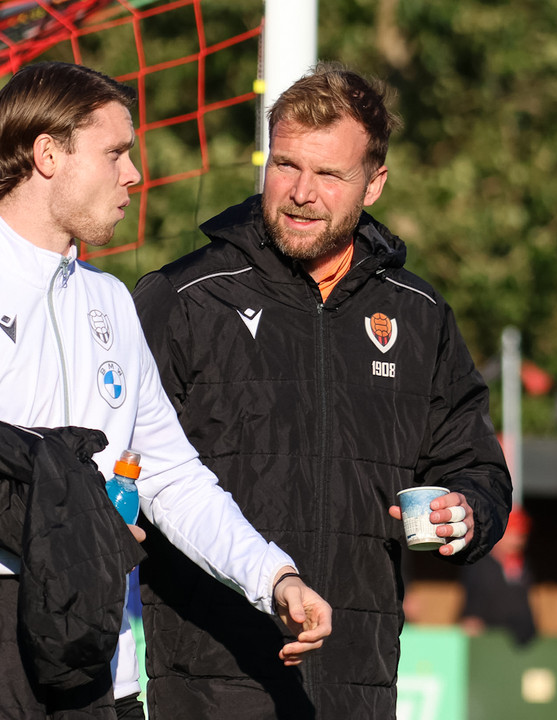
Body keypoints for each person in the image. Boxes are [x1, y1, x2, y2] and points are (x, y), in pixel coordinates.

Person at [0, 62, 331, 719]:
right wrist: (59, 541)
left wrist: (273, 575)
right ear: (48, 155)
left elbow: (170, 477)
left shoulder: (110, 302)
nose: (134, 174)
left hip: (99, 683)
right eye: (115, 152)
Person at [132, 60, 512, 718]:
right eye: (286, 165)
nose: (302, 192)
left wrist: (467, 512)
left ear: (375, 183)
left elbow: (473, 466)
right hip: (212, 683)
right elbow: (118, 467)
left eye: (329, 174)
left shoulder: (419, 315)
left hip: (359, 684)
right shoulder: (184, 297)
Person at [459, 506, 536, 646]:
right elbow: (472, 602)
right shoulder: (479, 563)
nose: (517, 541)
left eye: (521, 536)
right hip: (488, 638)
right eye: (512, 534)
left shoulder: (523, 566)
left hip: (520, 640)